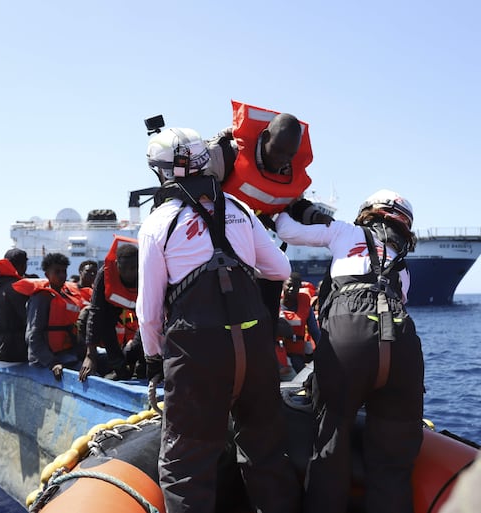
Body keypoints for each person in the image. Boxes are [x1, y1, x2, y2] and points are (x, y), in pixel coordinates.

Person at [138, 127, 300, 513]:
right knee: (265, 452)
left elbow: (148, 313)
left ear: (161, 172)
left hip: (197, 354)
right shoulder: (240, 210)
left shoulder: (158, 224)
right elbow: (280, 268)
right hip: (255, 349)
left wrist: (154, 361)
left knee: (185, 465)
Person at [275, 188, 424, 513]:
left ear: (368, 212)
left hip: (350, 335)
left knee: (330, 441)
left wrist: (289, 205)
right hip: (402, 343)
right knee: (395, 462)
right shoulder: (403, 268)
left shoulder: (346, 231)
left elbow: (286, 231)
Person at [204, 101, 333, 337]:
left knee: (275, 275)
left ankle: (266, 345)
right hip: (215, 237)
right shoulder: (227, 154)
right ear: (265, 137)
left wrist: (316, 216)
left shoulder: (289, 170)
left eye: (290, 154)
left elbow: (294, 204)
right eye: (279, 150)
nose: (284, 159)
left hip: (253, 235)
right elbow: (194, 187)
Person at [79, 236, 139, 382]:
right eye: (124, 269)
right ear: (117, 264)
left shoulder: (149, 274)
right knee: (103, 323)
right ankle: (119, 369)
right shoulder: (104, 274)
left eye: (133, 268)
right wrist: (90, 355)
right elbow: (96, 313)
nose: (129, 274)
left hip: (142, 309)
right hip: (112, 307)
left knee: (150, 329)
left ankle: (142, 367)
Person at [22, 252, 85, 380]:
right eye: (57, 272)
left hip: (66, 354)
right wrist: (52, 363)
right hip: (46, 360)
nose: (62, 275)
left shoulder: (65, 296)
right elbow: (33, 336)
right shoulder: (41, 298)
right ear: (47, 275)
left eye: (64, 271)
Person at [279, 272, 321, 373]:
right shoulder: (273, 302)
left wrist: (323, 351)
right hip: (277, 351)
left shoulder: (305, 303)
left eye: (296, 287)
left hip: (296, 353)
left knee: (300, 375)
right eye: (289, 285)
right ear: (283, 285)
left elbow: (314, 331)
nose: (292, 289)